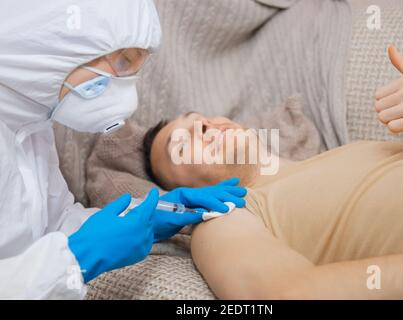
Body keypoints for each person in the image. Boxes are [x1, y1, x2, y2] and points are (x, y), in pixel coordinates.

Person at [141, 46, 403, 299]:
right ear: (182, 191)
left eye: (200, 119)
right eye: (181, 146)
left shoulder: (346, 151)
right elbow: (284, 294)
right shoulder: (226, 217)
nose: (202, 127)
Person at [0, 0, 246, 299]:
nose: (126, 91)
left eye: (134, 68)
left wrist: (151, 213)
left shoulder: (31, 124)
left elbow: (51, 226)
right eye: (122, 62)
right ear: (54, 42)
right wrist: (75, 260)